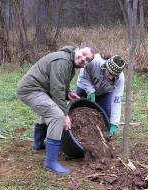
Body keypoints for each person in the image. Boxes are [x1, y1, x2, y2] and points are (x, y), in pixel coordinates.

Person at [17, 45, 95, 174]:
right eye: (83, 54)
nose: (83, 60)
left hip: (41, 89)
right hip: (30, 90)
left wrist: (67, 93)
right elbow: (56, 89)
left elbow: (59, 84)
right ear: (78, 49)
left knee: (50, 109)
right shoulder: (62, 61)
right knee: (57, 116)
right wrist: (65, 115)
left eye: (87, 60)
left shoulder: (69, 62)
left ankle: (38, 144)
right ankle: (51, 162)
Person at [76, 53, 127, 137]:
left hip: (104, 93)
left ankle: (97, 137)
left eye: (113, 76)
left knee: (105, 117)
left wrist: (114, 123)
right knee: (76, 109)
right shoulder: (94, 62)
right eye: (109, 73)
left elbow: (116, 100)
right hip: (84, 88)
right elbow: (83, 77)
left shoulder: (120, 79)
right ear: (105, 66)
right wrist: (90, 90)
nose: (110, 77)